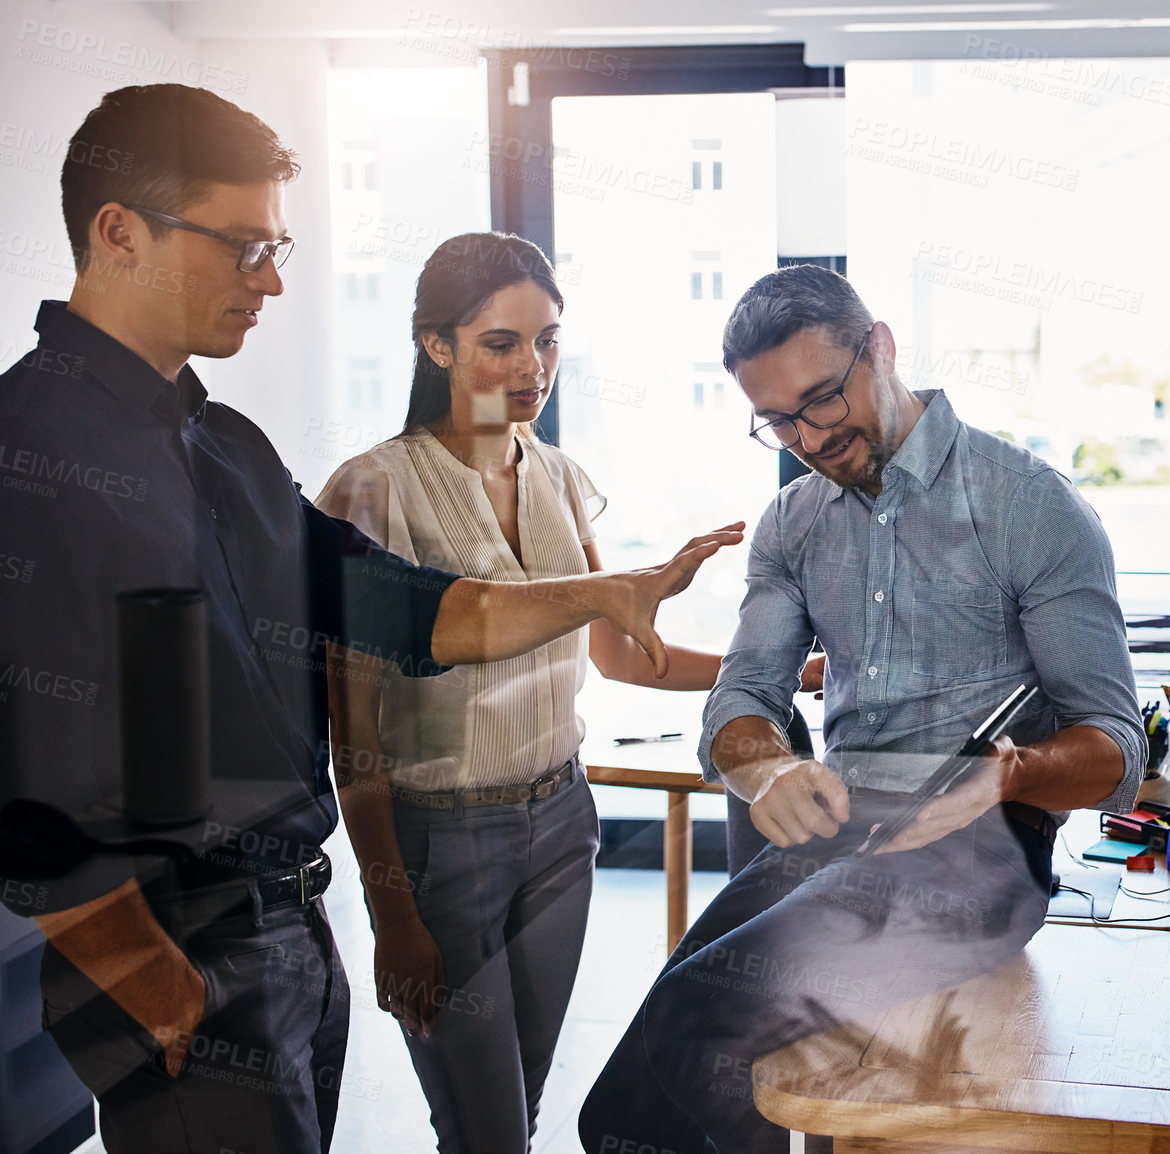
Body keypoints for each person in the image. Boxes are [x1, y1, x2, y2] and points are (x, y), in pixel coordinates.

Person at [0, 85, 739, 1154]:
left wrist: (595, 591)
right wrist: (148, 978)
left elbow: (396, 607)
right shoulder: (34, 449)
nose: (274, 279)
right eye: (243, 246)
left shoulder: (226, 448)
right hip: (178, 947)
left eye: (278, 245)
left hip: (290, 917)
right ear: (118, 231)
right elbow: (30, 752)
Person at [577, 264, 1146, 1154]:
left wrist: (1007, 775)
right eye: (776, 420)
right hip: (841, 838)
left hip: (984, 859)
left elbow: (1117, 747)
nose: (806, 435)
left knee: (699, 1023)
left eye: (822, 398)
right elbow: (741, 694)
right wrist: (763, 761)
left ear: (879, 346)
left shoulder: (1029, 506)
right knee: (617, 1110)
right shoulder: (791, 523)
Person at [315, 231, 822, 1153]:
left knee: (527, 1100)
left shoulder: (556, 474)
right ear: (437, 345)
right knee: (486, 1129)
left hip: (561, 820)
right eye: (501, 342)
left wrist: (792, 671)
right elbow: (352, 735)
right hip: (440, 841)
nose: (531, 367)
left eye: (547, 340)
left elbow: (629, 656)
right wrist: (392, 913)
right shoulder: (370, 491)